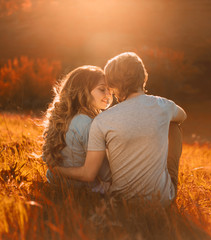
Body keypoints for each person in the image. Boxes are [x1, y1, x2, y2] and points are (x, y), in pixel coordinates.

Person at [55, 52, 187, 206]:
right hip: (161, 201)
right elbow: (182, 116)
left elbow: (88, 173)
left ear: (112, 86)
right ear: (144, 78)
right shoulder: (163, 105)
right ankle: (164, 185)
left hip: (121, 202)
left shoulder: (101, 121)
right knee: (174, 126)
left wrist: (57, 170)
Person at [42, 65, 112, 191]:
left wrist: (55, 170)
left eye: (109, 89)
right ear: (83, 91)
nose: (108, 94)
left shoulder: (66, 117)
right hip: (83, 189)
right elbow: (105, 174)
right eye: (102, 89)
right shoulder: (87, 123)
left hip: (55, 182)